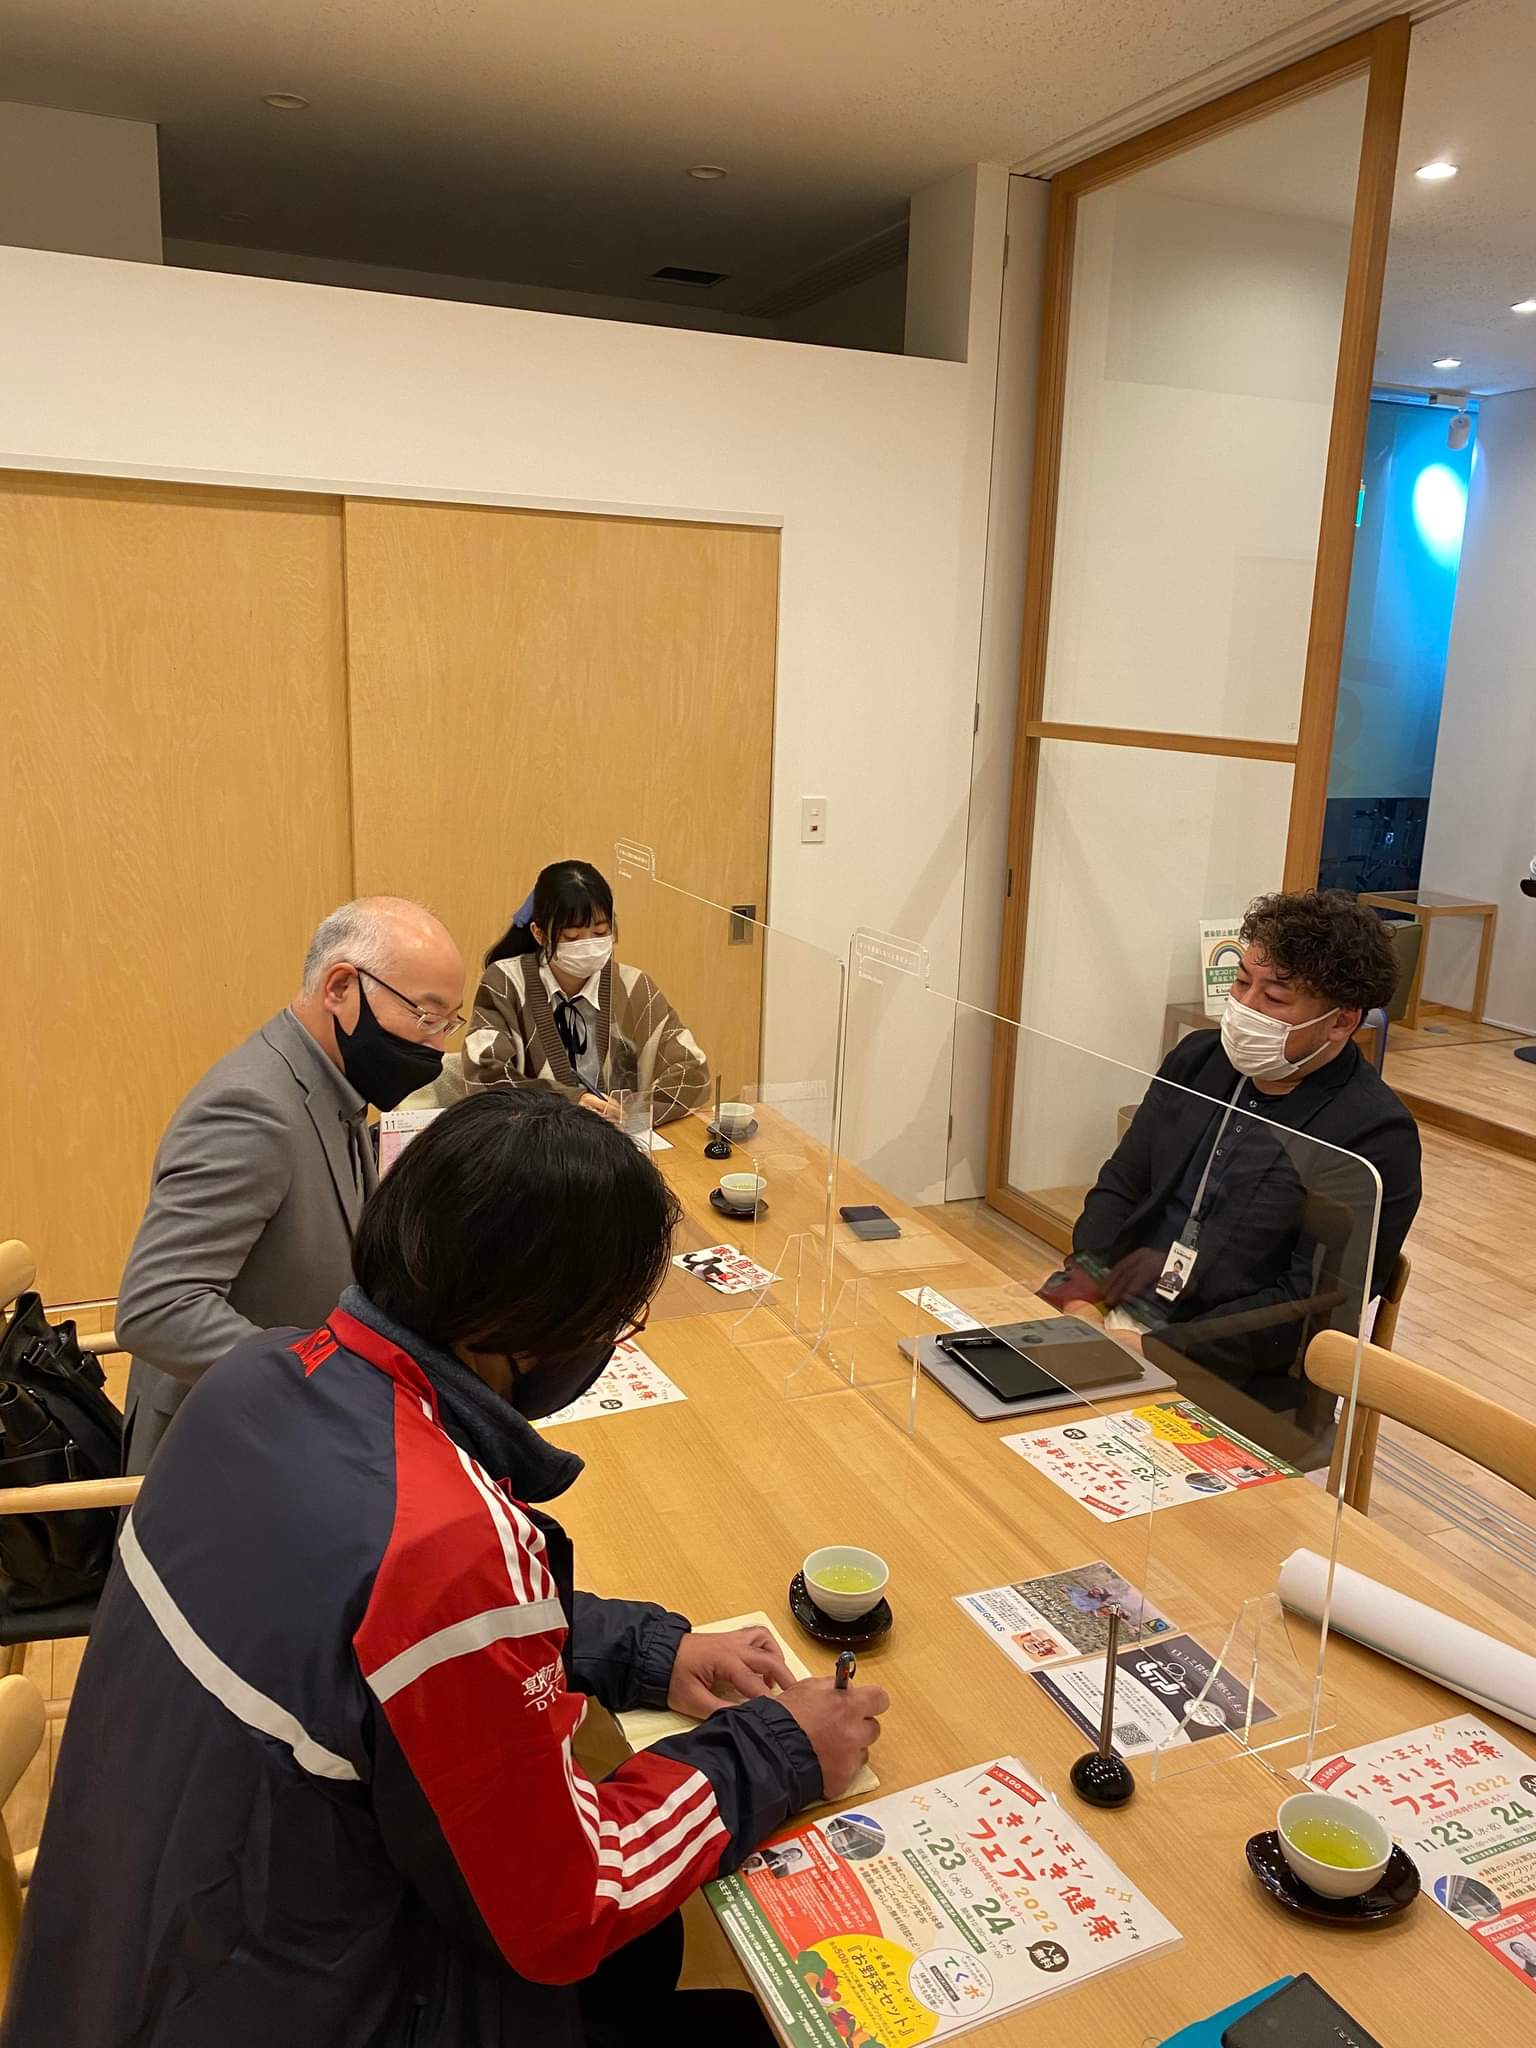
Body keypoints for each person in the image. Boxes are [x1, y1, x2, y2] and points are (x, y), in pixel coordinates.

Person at [9, 1090, 887, 2047]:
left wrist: (642, 1649)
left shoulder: (259, 1376)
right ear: (532, 1327)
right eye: (614, 1320)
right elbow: (567, 1905)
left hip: (127, 1966)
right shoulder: (447, 1547)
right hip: (306, 2000)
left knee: (649, 1957)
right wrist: (783, 1748)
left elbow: (373, 1629)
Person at [1041, 891, 1421, 1448]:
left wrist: (1150, 1351)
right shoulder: (1199, 1060)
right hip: (1111, 1309)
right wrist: (1083, 1295)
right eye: (1242, 983)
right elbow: (1122, 1185)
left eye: (1274, 997)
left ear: (1341, 1021)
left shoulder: (1371, 1137)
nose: (1244, 1007)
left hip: (1236, 1376)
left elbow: (1309, 1308)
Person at [117, 896, 465, 1471]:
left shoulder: (330, 1084)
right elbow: (158, 1309)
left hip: (289, 1428)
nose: (437, 1046)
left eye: (448, 1023)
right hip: (224, 1453)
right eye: (425, 1017)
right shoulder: (253, 1108)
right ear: (340, 987)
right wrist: (325, 1376)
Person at [466, 859, 710, 1124]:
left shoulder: (634, 987)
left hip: (618, 1139)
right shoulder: (505, 983)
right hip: (535, 1141)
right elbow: (485, 1078)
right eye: (572, 937)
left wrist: (631, 1113)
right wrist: (569, 1101)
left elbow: (694, 1074)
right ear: (539, 934)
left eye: (600, 932)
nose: (589, 945)